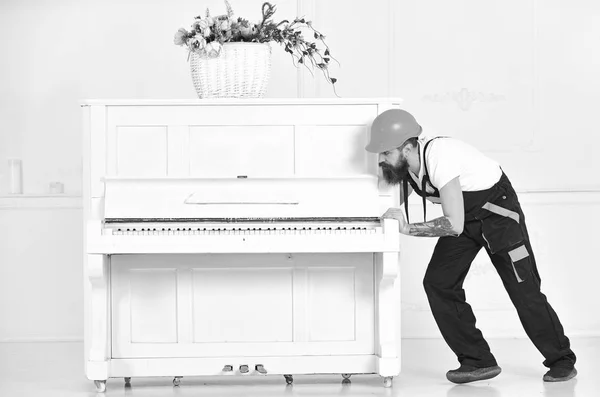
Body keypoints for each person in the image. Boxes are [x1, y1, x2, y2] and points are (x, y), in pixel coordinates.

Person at [365, 109, 577, 384]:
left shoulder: (440, 156)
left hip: (499, 216)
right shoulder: (406, 169)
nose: (381, 160)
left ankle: (562, 360)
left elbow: (453, 225)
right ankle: (477, 360)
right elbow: (388, 201)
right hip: (465, 218)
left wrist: (408, 228)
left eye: (386, 153)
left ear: (407, 148)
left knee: (524, 291)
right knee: (438, 283)